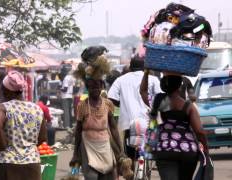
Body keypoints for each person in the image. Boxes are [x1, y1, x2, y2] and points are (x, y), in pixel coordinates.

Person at [71, 47, 133, 180]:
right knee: (92, 177)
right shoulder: (82, 106)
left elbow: (114, 129)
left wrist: (121, 151)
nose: (95, 89)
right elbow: (78, 131)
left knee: (109, 177)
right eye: (92, 86)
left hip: (105, 146)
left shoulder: (107, 104)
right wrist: (76, 154)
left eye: (97, 86)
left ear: (102, 87)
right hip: (88, 146)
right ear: (88, 87)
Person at [143, 75, 208, 180]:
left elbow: (143, 92)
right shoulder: (188, 106)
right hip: (188, 151)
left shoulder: (158, 102)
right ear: (179, 87)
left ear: (163, 86)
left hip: (165, 149)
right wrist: (206, 150)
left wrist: (146, 73)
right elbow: (199, 131)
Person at [0, 70, 47, 180]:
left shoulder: (3, 107)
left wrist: (2, 146)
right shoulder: (36, 108)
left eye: (2, 89)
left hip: (8, 163)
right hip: (32, 163)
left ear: (6, 91)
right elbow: (42, 138)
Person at [108, 58, 162, 162]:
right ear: (144, 67)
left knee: (130, 155)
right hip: (150, 121)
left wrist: (122, 104)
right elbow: (160, 97)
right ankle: (147, 163)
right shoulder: (153, 79)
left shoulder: (121, 79)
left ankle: (132, 171)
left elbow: (111, 98)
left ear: (130, 67)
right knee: (149, 149)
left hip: (128, 122)